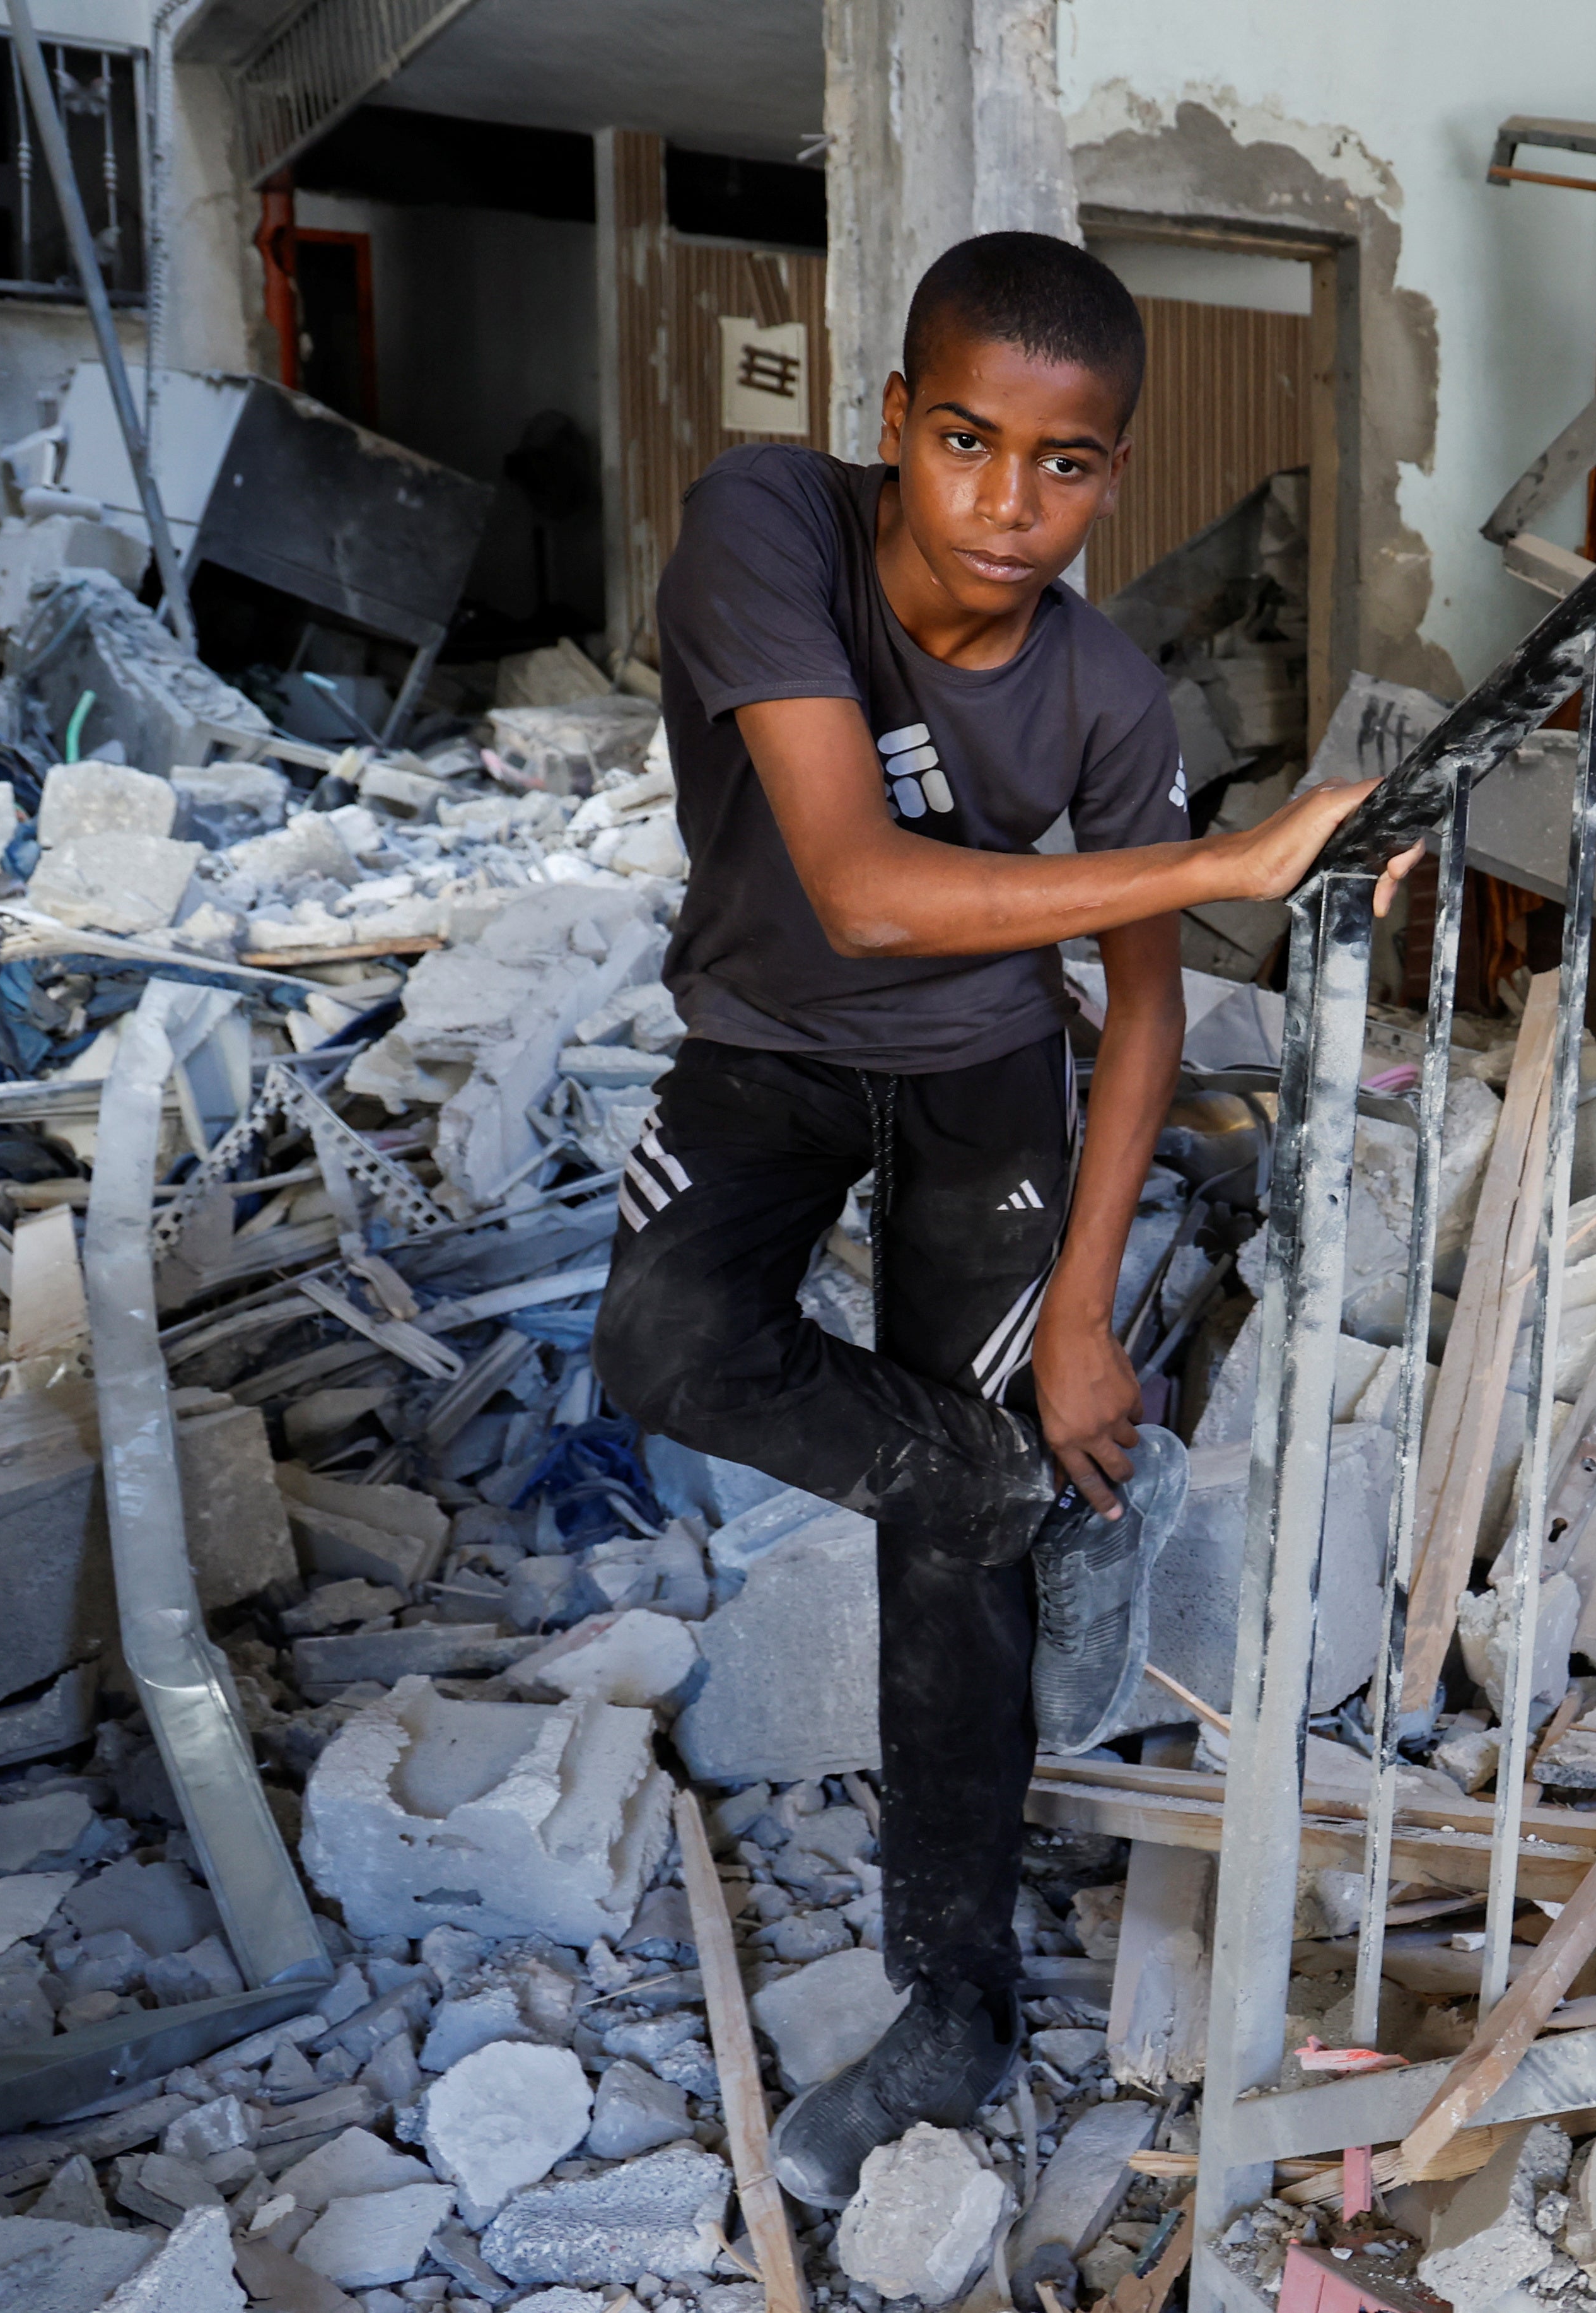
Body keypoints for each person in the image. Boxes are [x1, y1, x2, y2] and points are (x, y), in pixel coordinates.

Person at [593, 231, 1402, 2205]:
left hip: (985, 1086)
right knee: (666, 1346)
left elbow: (1140, 1014)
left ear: (1109, 474)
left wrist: (1082, 1315)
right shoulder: (763, 524)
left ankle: (952, 1998)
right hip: (767, 1037)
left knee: (934, 1550)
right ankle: (1004, 1489)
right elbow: (857, 888)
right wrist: (1225, 859)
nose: (1006, 505)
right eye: (964, 441)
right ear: (892, 425)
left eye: (1062, 463)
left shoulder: (1104, 692)